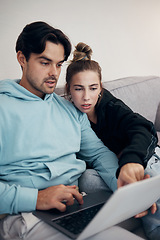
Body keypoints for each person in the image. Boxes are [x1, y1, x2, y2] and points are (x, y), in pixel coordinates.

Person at [0, 21, 144, 240]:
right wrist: (36, 198)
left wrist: (125, 189)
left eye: (58, 64)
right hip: (25, 214)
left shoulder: (69, 110)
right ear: (22, 59)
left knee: (147, 207)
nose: (53, 73)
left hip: (75, 206)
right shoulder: (3, 108)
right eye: (45, 62)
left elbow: (98, 153)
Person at [65, 42, 160, 239]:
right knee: (87, 180)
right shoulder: (68, 116)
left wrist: (131, 159)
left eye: (92, 88)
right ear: (68, 90)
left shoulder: (111, 107)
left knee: (147, 175)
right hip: (108, 169)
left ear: (100, 88)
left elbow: (143, 129)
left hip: (142, 156)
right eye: (78, 89)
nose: (86, 97)